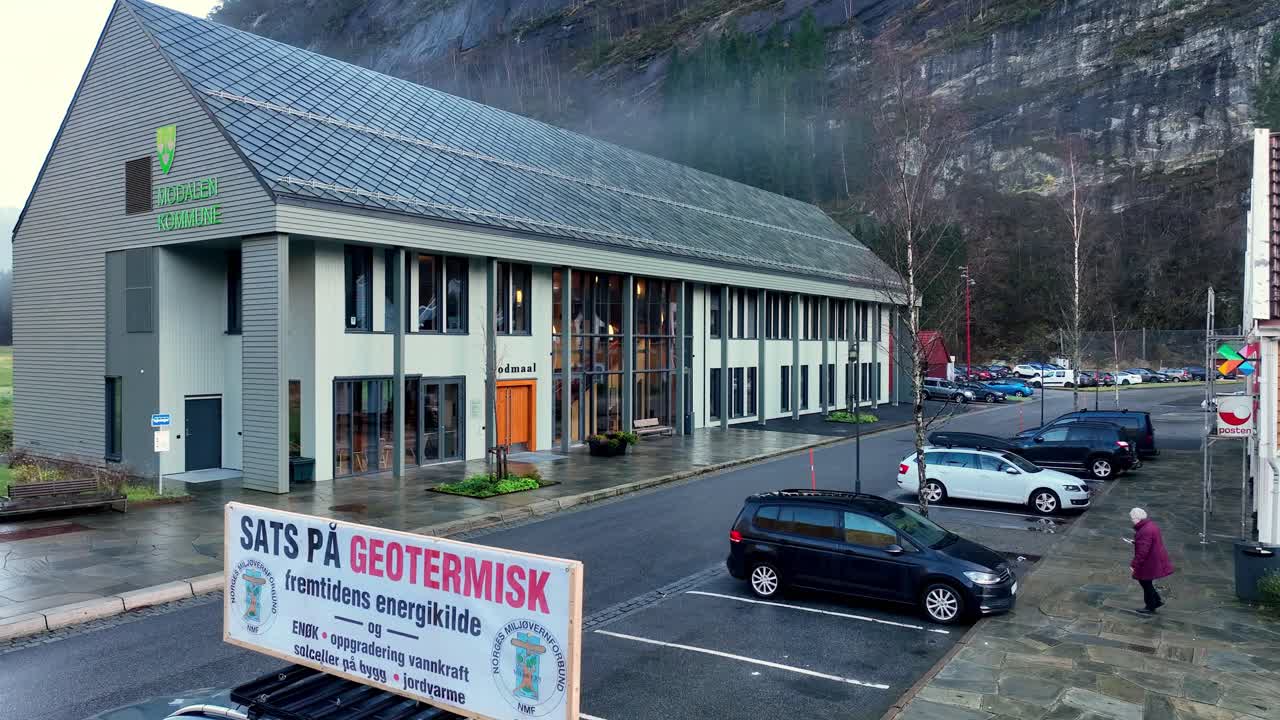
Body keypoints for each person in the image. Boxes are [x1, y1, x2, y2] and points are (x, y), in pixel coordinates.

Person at [1129, 507, 1174, 614]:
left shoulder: (1144, 531)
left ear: (1137, 518)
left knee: (1145, 582)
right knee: (1147, 582)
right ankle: (1156, 601)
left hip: (1149, 561)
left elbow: (1143, 552)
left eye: (1132, 518)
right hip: (1154, 558)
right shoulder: (1151, 525)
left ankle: (1150, 606)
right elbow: (1148, 544)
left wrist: (1134, 564)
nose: (1131, 521)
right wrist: (1137, 542)